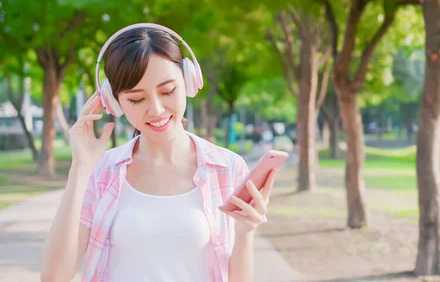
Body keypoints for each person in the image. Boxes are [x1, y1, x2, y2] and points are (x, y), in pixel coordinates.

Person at [40, 23, 277, 282]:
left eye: (167, 91)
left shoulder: (227, 167)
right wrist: (81, 167)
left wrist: (245, 232)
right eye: (136, 99)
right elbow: (53, 277)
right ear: (114, 102)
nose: (155, 109)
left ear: (189, 80)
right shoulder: (103, 171)